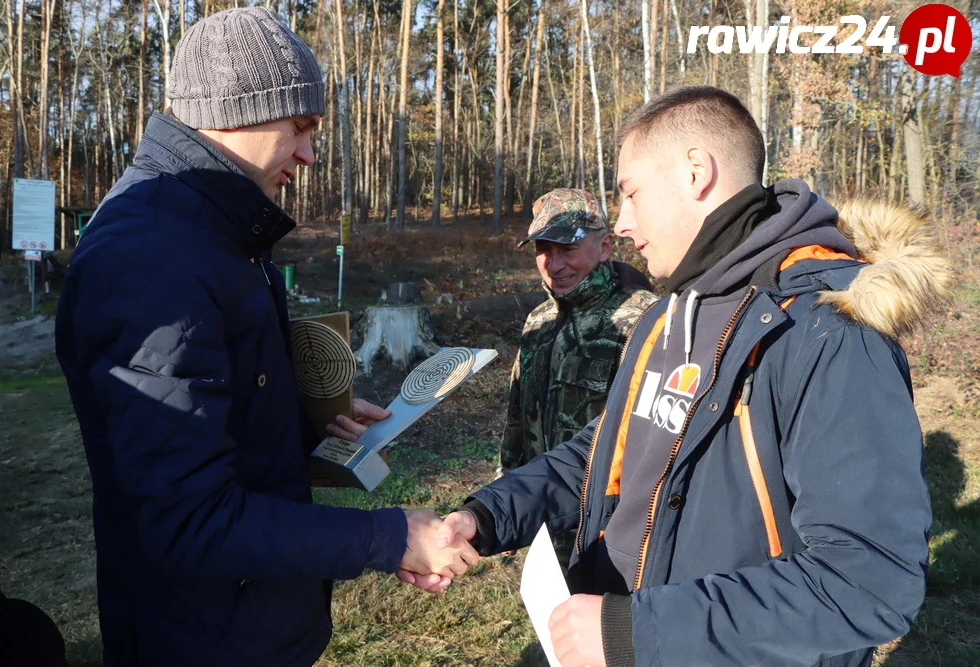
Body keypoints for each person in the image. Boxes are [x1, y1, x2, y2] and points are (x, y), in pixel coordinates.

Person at [403, 86, 949, 667]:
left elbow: (866, 583)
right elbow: (609, 449)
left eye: (631, 193)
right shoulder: (670, 314)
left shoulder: (829, 331)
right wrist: (485, 516)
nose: (623, 222)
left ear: (696, 173)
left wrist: (635, 630)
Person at [55, 8, 476, 667]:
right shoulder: (150, 257)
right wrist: (386, 534)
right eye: (300, 126)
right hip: (200, 638)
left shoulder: (212, 233)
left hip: (248, 626)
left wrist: (311, 419)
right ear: (236, 111)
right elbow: (188, 517)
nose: (308, 153)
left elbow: (205, 408)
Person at [500, 188, 656, 559]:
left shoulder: (646, 321)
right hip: (544, 524)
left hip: (610, 533)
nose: (553, 264)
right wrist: (507, 496)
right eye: (543, 249)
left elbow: (655, 443)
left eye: (567, 249)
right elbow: (518, 420)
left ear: (605, 247)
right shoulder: (538, 321)